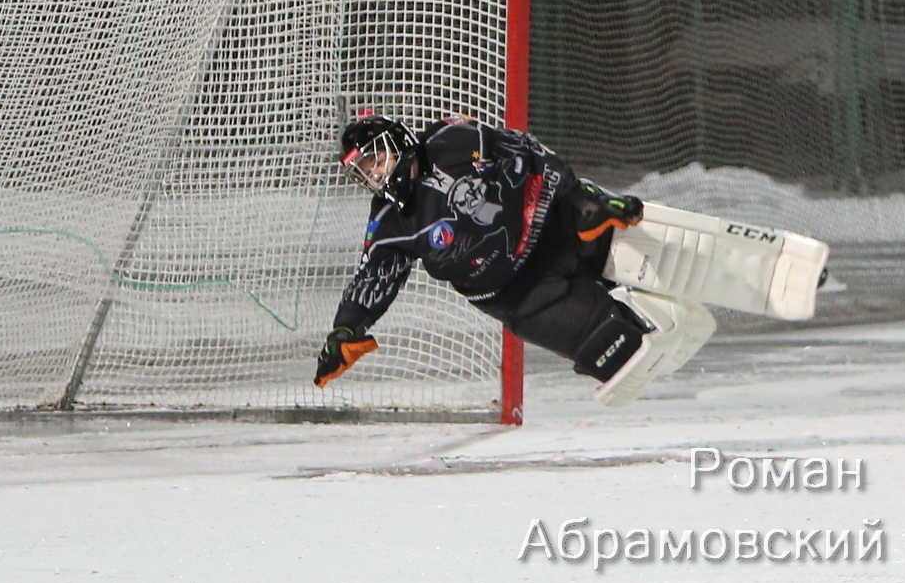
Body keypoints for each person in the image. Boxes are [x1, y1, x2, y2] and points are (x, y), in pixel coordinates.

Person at [313, 112, 826, 406]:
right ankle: (654, 312)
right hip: (519, 293)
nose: (374, 174)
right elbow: (373, 277)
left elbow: (529, 152)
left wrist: (581, 201)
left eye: (375, 159)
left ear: (398, 142)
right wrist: (347, 327)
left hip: (559, 226)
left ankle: (773, 271)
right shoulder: (391, 223)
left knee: (644, 241)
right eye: (363, 171)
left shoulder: (453, 139)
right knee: (625, 355)